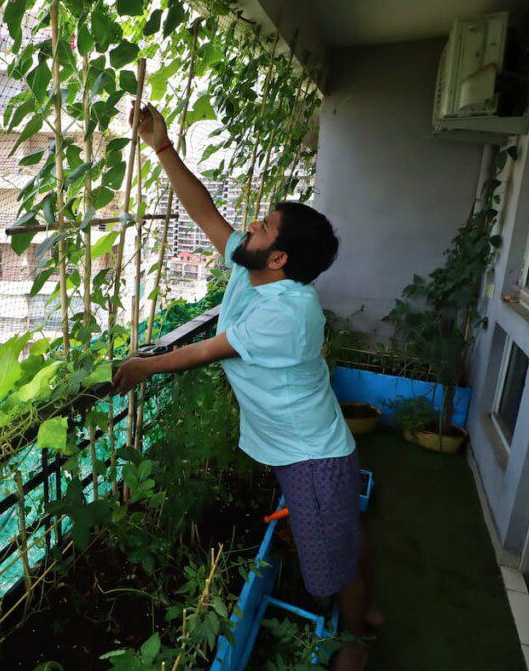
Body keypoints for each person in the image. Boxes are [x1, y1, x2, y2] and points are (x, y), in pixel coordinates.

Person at [112, 103, 380, 670]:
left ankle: (358, 637)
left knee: (329, 564)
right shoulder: (255, 269)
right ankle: (365, 608)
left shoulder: (286, 311)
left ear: (278, 256)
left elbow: (201, 352)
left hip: (312, 456)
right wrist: (162, 147)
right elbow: (204, 210)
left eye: (263, 226)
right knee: (340, 535)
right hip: (305, 446)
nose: (251, 226)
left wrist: (140, 365)